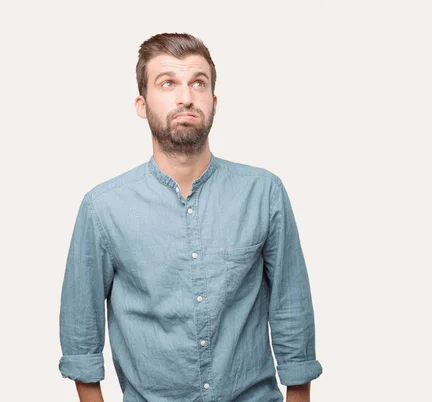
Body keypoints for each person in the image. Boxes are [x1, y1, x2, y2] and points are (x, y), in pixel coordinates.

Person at [58, 32, 322, 402]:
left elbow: (291, 307)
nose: (185, 97)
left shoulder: (264, 193)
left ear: (213, 101)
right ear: (141, 103)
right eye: (167, 83)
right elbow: (80, 332)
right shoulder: (103, 207)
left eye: (198, 83)